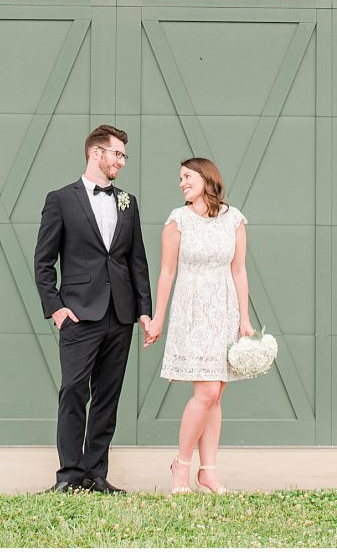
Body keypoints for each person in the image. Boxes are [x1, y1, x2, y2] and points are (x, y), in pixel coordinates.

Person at [34, 125, 152, 493]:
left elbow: (137, 261)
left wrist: (144, 311)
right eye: (117, 154)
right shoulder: (60, 199)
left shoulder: (128, 202)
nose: (121, 161)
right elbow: (43, 262)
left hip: (120, 315)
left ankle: (95, 474)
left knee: (108, 395)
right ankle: (68, 475)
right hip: (78, 314)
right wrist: (55, 308)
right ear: (95, 153)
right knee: (73, 390)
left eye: (123, 156)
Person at [144, 157, 254, 494]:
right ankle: (181, 465)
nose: (181, 183)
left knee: (216, 395)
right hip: (191, 312)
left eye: (187, 176)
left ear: (207, 179)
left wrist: (245, 319)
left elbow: (239, 271)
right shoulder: (177, 222)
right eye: (180, 178)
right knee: (205, 392)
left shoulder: (234, 220)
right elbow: (167, 272)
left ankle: (208, 471)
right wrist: (158, 317)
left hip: (225, 312)